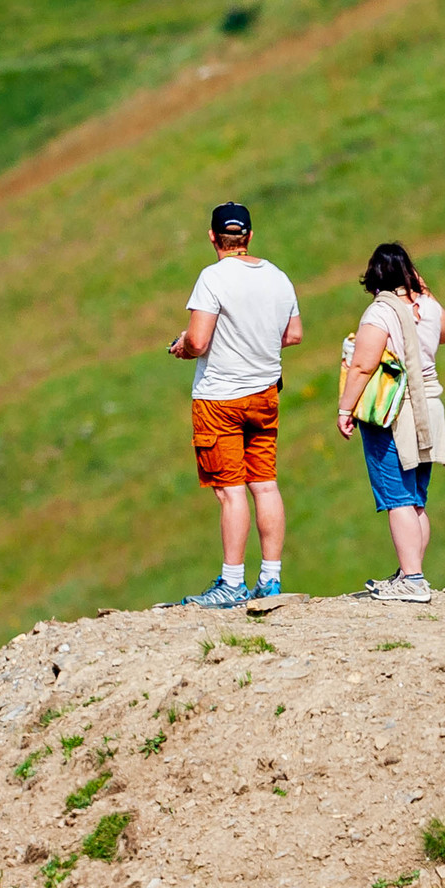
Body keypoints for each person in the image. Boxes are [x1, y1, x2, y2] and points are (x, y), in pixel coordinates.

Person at [164, 201, 303, 608]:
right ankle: (271, 578)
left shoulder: (212, 278)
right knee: (265, 483)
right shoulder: (278, 277)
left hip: (220, 397)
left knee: (230, 492)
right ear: (249, 237)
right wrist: (257, 341)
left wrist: (182, 348)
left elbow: (200, 341)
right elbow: (293, 334)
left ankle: (231, 582)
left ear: (212, 237)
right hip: (265, 394)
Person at [336, 240, 445, 605]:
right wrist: (423, 289)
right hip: (429, 407)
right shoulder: (429, 307)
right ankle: (410, 571)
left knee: (397, 497)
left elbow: (362, 365)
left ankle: (413, 579)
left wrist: (345, 408)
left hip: (393, 410)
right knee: (417, 499)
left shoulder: (380, 313)